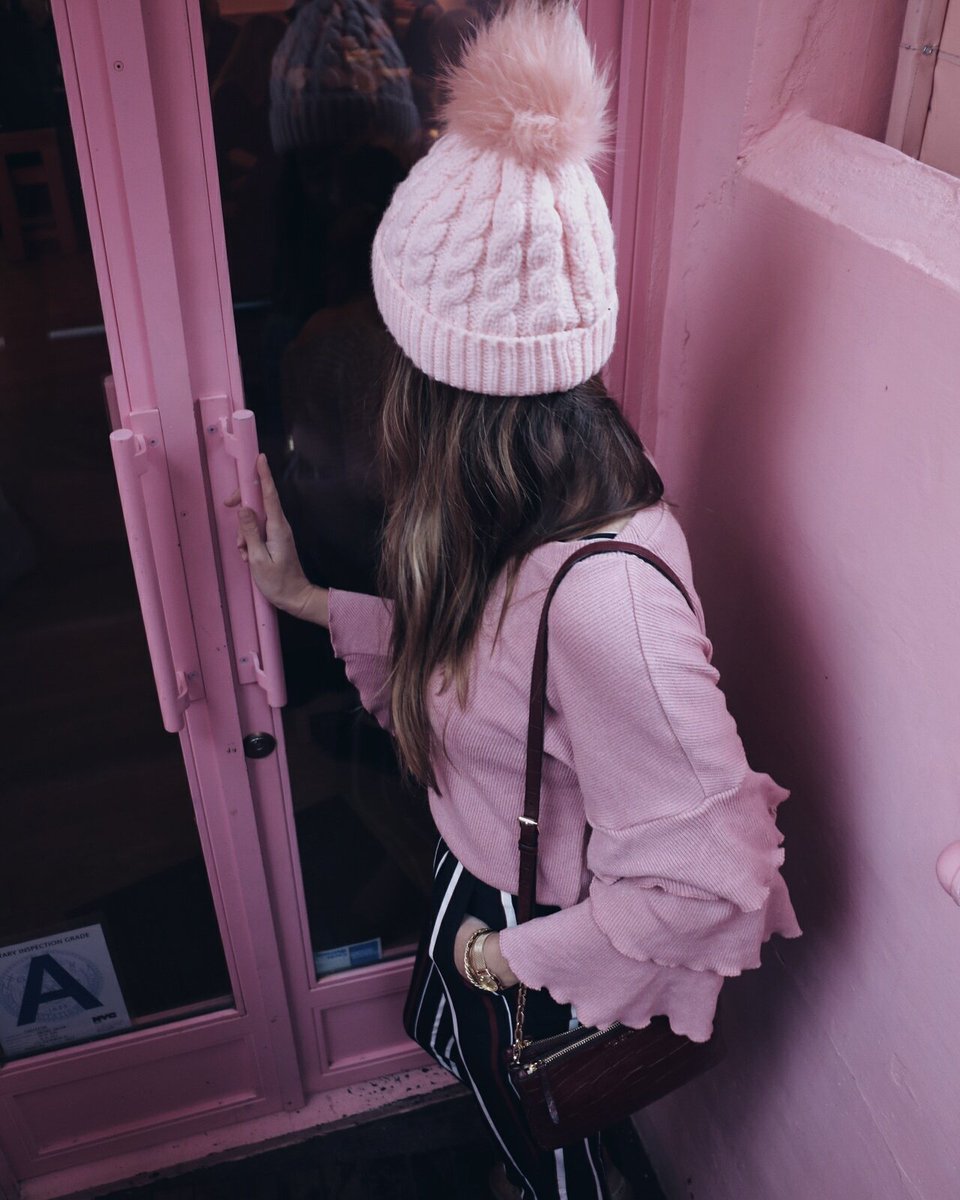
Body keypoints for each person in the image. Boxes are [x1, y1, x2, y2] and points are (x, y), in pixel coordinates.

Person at [231, 4, 802, 1197]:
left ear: (448, 384)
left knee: (556, 1140)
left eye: (399, 352)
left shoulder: (606, 597)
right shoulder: (497, 512)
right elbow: (478, 669)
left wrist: (506, 958)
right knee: (491, 1092)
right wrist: (309, 598)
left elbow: (716, 878)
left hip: (534, 925)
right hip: (481, 876)